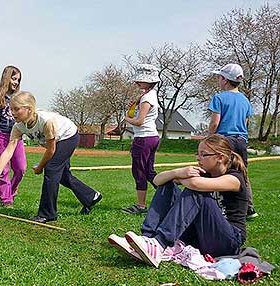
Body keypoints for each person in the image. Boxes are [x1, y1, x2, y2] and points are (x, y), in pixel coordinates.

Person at [109, 134, 248, 268]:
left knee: (196, 193)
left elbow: (195, 185)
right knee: (167, 184)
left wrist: (181, 178)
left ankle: (160, 243)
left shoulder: (235, 179)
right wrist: (176, 173)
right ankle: (148, 240)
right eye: (197, 154)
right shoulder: (204, 173)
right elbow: (158, 181)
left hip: (228, 241)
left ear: (220, 157)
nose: (198, 158)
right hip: (200, 235)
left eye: (203, 154)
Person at [0, 91, 102, 223]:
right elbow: (8, 152)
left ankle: (47, 214)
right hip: (57, 142)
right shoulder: (18, 127)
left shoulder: (45, 121)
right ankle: (91, 197)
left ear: (29, 109)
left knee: (51, 169)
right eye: (11, 109)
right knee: (62, 176)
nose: (12, 113)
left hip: (68, 136)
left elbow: (51, 150)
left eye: (16, 109)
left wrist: (40, 167)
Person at [208, 63, 257, 219]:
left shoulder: (219, 98)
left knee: (219, 172)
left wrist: (209, 139)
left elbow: (215, 122)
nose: (218, 80)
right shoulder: (245, 100)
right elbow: (246, 120)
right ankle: (249, 208)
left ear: (224, 79)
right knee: (242, 173)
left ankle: (219, 205)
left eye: (219, 77)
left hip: (224, 140)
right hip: (241, 140)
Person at [122, 64, 160, 215]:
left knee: (139, 172)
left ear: (149, 81)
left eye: (140, 80)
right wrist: (131, 109)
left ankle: (141, 206)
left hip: (143, 139)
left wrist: (126, 118)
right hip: (152, 137)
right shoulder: (149, 94)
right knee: (149, 172)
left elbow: (139, 121)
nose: (136, 82)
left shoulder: (146, 98)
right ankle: (173, 195)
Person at [0, 66, 27, 208]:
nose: (16, 82)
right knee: (3, 169)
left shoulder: (18, 98)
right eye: (14, 78)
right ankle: (6, 200)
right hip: (1, 135)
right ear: (6, 78)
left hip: (16, 136)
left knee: (21, 168)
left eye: (18, 80)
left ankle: (12, 191)